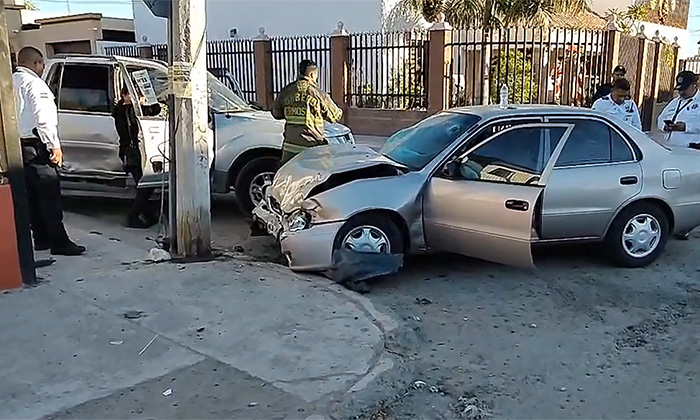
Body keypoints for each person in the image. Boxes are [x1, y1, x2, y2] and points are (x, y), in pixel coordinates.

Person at [12, 46, 86, 256]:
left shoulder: (10, 82)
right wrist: (54, 145)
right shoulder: (35, 84)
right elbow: (43, 118)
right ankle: (59, 242)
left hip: (18, 147)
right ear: (36, 63)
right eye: (41, 63)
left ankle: (41, 239)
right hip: (36, 146)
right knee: (49, 195)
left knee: (32, 197)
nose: (42, 67)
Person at [271, 59, 343, 165]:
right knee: (317, 177)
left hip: (290, 148)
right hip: (312, 148)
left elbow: (276, 114)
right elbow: (335, 116)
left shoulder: (286, 92)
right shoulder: (319, 94)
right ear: (313, 74)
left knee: (290, 177)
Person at [657, 70, 700, 240]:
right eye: (679, 88)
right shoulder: (675, 102)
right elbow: (660, 118)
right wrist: (665, 126)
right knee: (676, 189)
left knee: (691, 190)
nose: (681, 92)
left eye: (684, 88)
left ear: (694, 85)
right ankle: (679, 222)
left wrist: (685, 127)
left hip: (691, 151)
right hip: (671, 150)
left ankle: (688, 224)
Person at [112, 85, 161, 228]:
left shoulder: (133, 109)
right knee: (144, 186)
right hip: (131, 152)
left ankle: (148, 215)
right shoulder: (123, 111)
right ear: (124, 95)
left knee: (146, 185)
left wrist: (149, 99)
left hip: (137, 151)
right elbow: (128, 131)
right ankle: (133, 216)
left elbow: (154, 110)